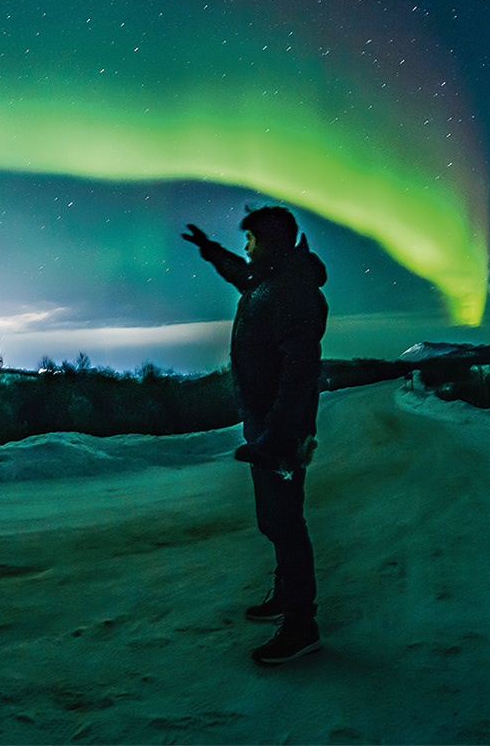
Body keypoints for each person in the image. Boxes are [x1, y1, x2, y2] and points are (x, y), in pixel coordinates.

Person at [182, 205, 328, 665]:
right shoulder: (266, 280)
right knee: (274, 519)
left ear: (269, 241)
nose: (244, 247)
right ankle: (287, 597)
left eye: (249, 239)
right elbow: (239, 274)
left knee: (285, 522)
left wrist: (279, 436)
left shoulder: (290, 289)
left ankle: (301, 625)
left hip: (280, 429)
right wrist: (212, 252)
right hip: (265, 421)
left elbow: (300, 370)